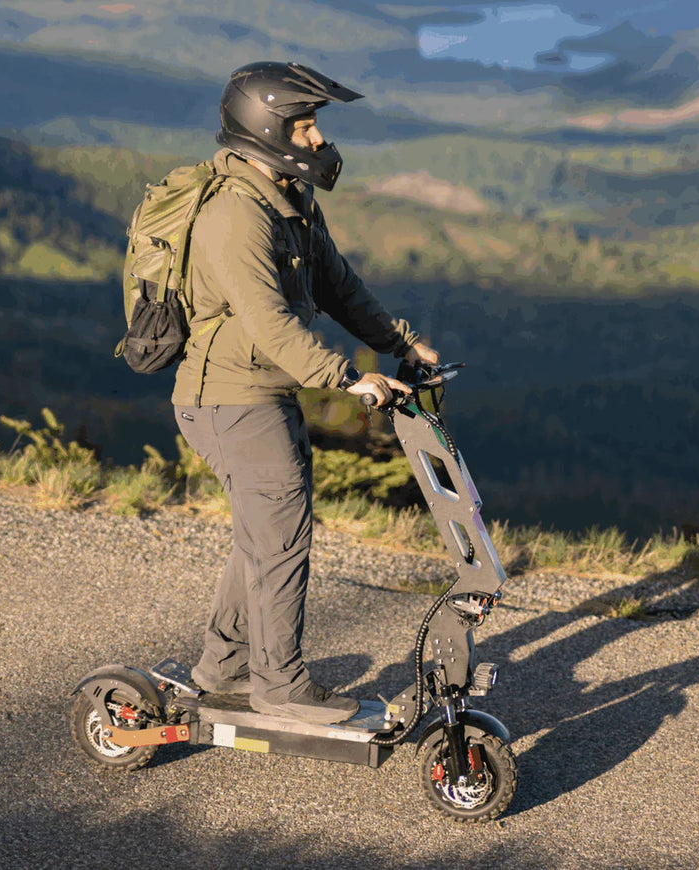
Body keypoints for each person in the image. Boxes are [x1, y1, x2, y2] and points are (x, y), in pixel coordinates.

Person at [172, 61, 440, 725]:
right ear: (269, 130)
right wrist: (350, 379)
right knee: (282, 534)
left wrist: (401, 343)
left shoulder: (288, 199)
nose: (319, 138)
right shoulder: (235, 216)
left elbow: (339, 288)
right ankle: (280, 687)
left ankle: (225, 669)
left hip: (262, 394)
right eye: (306, 125)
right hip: (228, 400)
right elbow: (271, 326)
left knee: (262, 534)